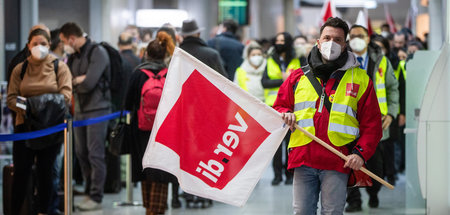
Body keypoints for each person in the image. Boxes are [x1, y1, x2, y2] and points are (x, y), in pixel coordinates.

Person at [273, 17, 382, 214]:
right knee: (301, 211)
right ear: (318, 41)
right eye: (327, 37)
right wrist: (285, 114)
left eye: (338, 39)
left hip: (337, 160)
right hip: (302, 158)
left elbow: (372, 125)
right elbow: (280, 106)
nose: (331, 43)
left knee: (332, 212)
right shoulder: (298, 76)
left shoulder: (360, 79)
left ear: (345, 45)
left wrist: (360, 153)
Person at [7, 28, 72, 215]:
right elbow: (12, 98)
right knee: (21, 174)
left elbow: (65, 96)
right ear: (28, 45)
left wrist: (41, 107)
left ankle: (45, 211)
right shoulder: (20, 69)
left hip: (51, 128)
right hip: (24, 127)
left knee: (46, 174)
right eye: (35, 43)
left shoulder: (60, 67)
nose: (39, 47)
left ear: (49, 45)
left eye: (43, 43)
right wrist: (29, 107)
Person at [346, 25, 399, 212]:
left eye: (359, 36)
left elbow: (393, 88)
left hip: (375, 123)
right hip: (347, 121)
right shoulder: (342, 61)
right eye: (352, 36)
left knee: (376, 165)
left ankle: (374, 193)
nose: (355, 39)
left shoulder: (382, 61)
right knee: (350, 163)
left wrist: (392, 113)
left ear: (368, 39)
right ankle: (354, 200)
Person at [59, 22, 111, 211]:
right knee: (81, 154)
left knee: (95, 154)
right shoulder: (74, 56)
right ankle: (88, 190)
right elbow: (67, 81)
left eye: (64, 41)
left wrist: (77, 81)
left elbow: (89, 84)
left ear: (71, 39)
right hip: (79, 111)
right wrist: (77, 80)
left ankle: (96, 196)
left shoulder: (98, 52)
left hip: (98, 110)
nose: (63, 44)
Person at [124, 31, 175, 215]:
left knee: (145, 169)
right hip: (164, 131)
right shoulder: (171, 74)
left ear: (146, 53)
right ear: (165, 54)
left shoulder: (138, 74)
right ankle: (158, 208)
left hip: (141, 130)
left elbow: (128, 103)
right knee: (161, 171)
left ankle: (148, 208)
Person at [262, 32, 300, 186]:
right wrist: (282, 80)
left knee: (290, 142)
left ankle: (289, 174)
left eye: (282, 40)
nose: (279, 43)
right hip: (274, 107)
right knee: (276, 144)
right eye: (277, 40)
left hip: (293, 107)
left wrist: (288, 80)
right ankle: (277, 175)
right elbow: (264, 82)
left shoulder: (298, 60)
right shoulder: (270, 60)